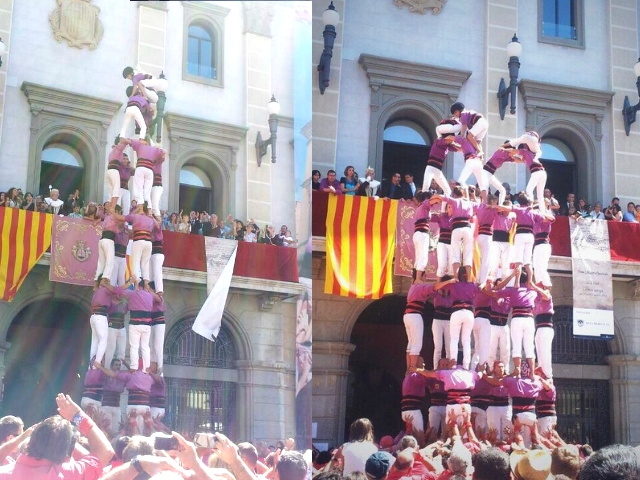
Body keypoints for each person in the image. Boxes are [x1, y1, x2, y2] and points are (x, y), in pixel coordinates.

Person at [0, 394, 115, 478]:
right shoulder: (67, 474)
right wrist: (77, 416)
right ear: (67, 456)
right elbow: (106, 451)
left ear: (31, 440)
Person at [129, 138, 166, 206]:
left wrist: (140, 142)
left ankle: (143, 206)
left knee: (140, 190)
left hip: (155, 184)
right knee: (146, 193)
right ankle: (147, 209)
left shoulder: (158, 162)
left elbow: (128, 140)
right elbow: (163, 152)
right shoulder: (153, 155)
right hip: (150, 177)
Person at [484, 361, 511, 443]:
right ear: (494, 369)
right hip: (493, 407)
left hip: (506, 406)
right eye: (499, 367)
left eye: (502, 367)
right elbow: (495, 381)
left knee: (507, 431)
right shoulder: (490, 378)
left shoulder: (508, 378)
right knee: (495, 433)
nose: (501, 368)